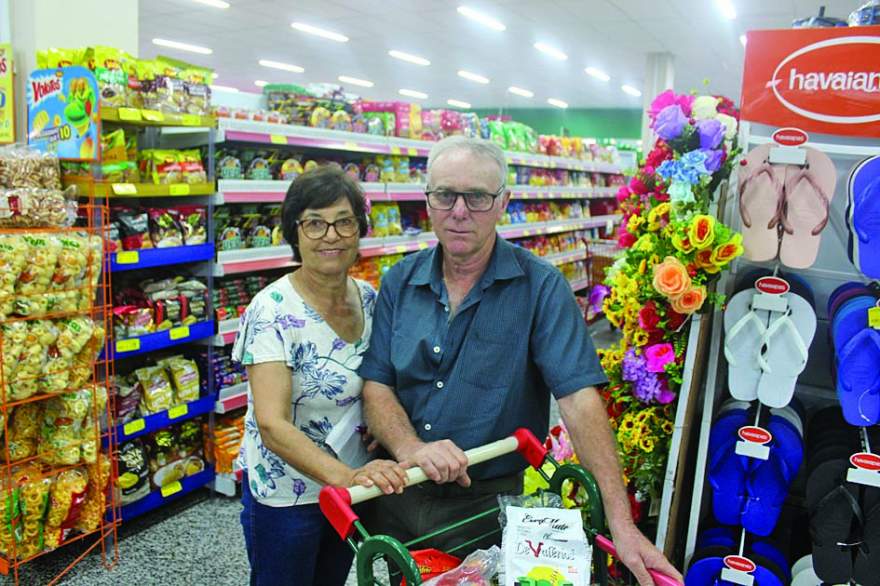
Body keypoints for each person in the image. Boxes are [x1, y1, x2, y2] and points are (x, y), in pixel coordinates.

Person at [358, 136, 683, 586]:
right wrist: (411, 448)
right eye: (445, 195)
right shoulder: (399, 280)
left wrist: (620, 522)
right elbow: (377, 384)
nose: (458, 211)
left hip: (482, 508)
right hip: (395, 493)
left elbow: (578, 400)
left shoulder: (540, 287)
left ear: (503, 203)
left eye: (477, 197)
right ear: (428, 201)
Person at [232, 165, 408, 586]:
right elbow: (272, 424)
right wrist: (344, 478)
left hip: (354, 488)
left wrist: (381, 432)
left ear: (359, 230)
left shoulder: (370, 299)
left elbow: (379, 384)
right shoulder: (272, 309)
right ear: (295, 233)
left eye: (344, 222)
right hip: (288, 495)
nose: (331, 236)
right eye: (314, 223)